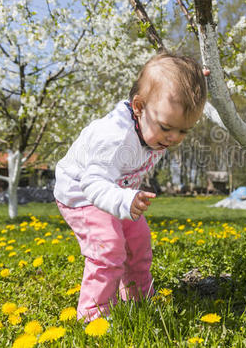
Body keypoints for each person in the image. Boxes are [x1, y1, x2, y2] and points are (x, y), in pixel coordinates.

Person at [54, 52, 208, 322]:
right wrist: (124, 201)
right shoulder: (114, 138)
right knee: (109, 247)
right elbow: (93, 183)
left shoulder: (154, 123)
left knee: (139, 243)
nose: (174, 138)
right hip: (81, 194)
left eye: (184, 131)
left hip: (120, 194)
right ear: (138, 107)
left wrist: (205, 84)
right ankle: (93, 317)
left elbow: (182, 102)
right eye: (167, 128)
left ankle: (138, 300)